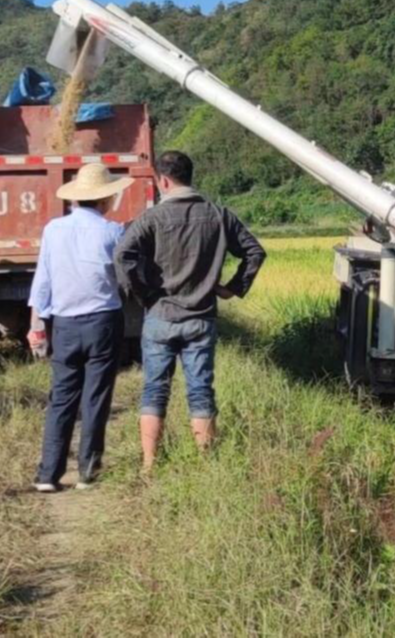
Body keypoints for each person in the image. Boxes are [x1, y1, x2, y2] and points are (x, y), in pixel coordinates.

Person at [114, 150, 266, 473]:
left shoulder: (151, 218)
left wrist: (143, 294)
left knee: (155, 389)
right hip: (202, 317)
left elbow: (122, 255)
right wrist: (233, 287)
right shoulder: (218, 214)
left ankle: (149, 464)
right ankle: (205, 464)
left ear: (163, 181)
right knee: (199, 389)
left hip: (160, 316)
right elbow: (254, 251)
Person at [29, 163, 133, 492]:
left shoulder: (53, 229)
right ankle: (88, 470)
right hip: (103, 321)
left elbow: (42, 279)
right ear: (105, 198)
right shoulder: (113, 232)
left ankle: (48, 474)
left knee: (61, 398)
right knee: (96, 396)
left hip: (64, 324)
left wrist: (37, 325)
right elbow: (125, 280)